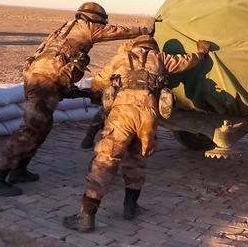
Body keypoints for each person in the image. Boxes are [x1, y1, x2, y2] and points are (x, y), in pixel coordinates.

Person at [0, 2, 155, 197]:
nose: (100, 26)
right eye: (101, 22)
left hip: (40, 78)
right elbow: (116, 31)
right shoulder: (87, 27)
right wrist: (145, 30)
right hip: (45, 81)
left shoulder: (63, 30)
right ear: (95, 19)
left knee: (43, 126)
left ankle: (19, 169)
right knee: (31, 129)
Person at [63, 35, 211, 233]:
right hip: (148, 116)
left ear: (134, 46)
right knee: (137, 159)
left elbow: (97, 83)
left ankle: (86, 216)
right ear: (152, 47)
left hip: (122, 115)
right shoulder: (160, 58)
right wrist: (201, 53)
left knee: (107, 160)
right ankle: (131, 207)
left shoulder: (120, 59)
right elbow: (186, 62)